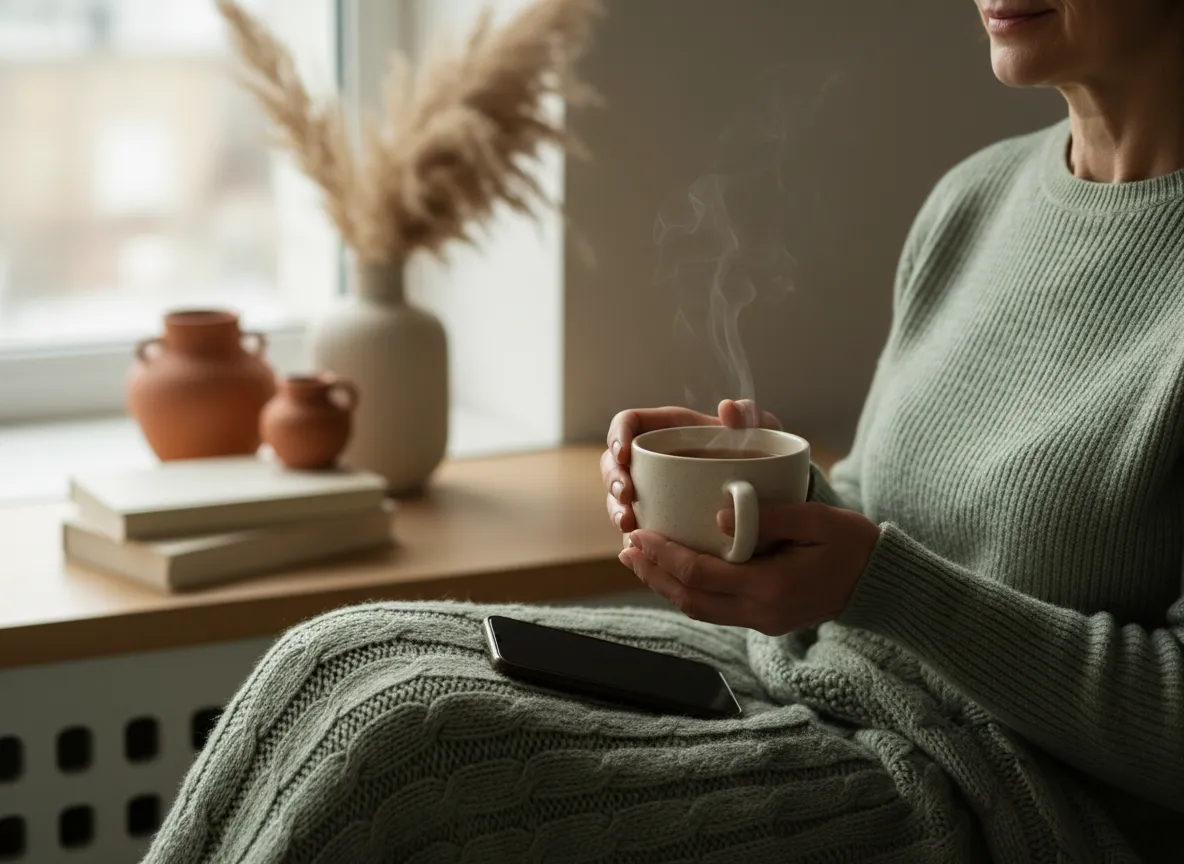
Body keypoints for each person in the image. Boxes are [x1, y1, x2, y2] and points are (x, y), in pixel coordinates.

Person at [144, 1, 1183, 861]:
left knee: (410, 763)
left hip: (1004, 794)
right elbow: (880, 516)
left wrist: (872, 581)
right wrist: (771, 504)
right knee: (341, 658)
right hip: (827, 684)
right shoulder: (976, 201)